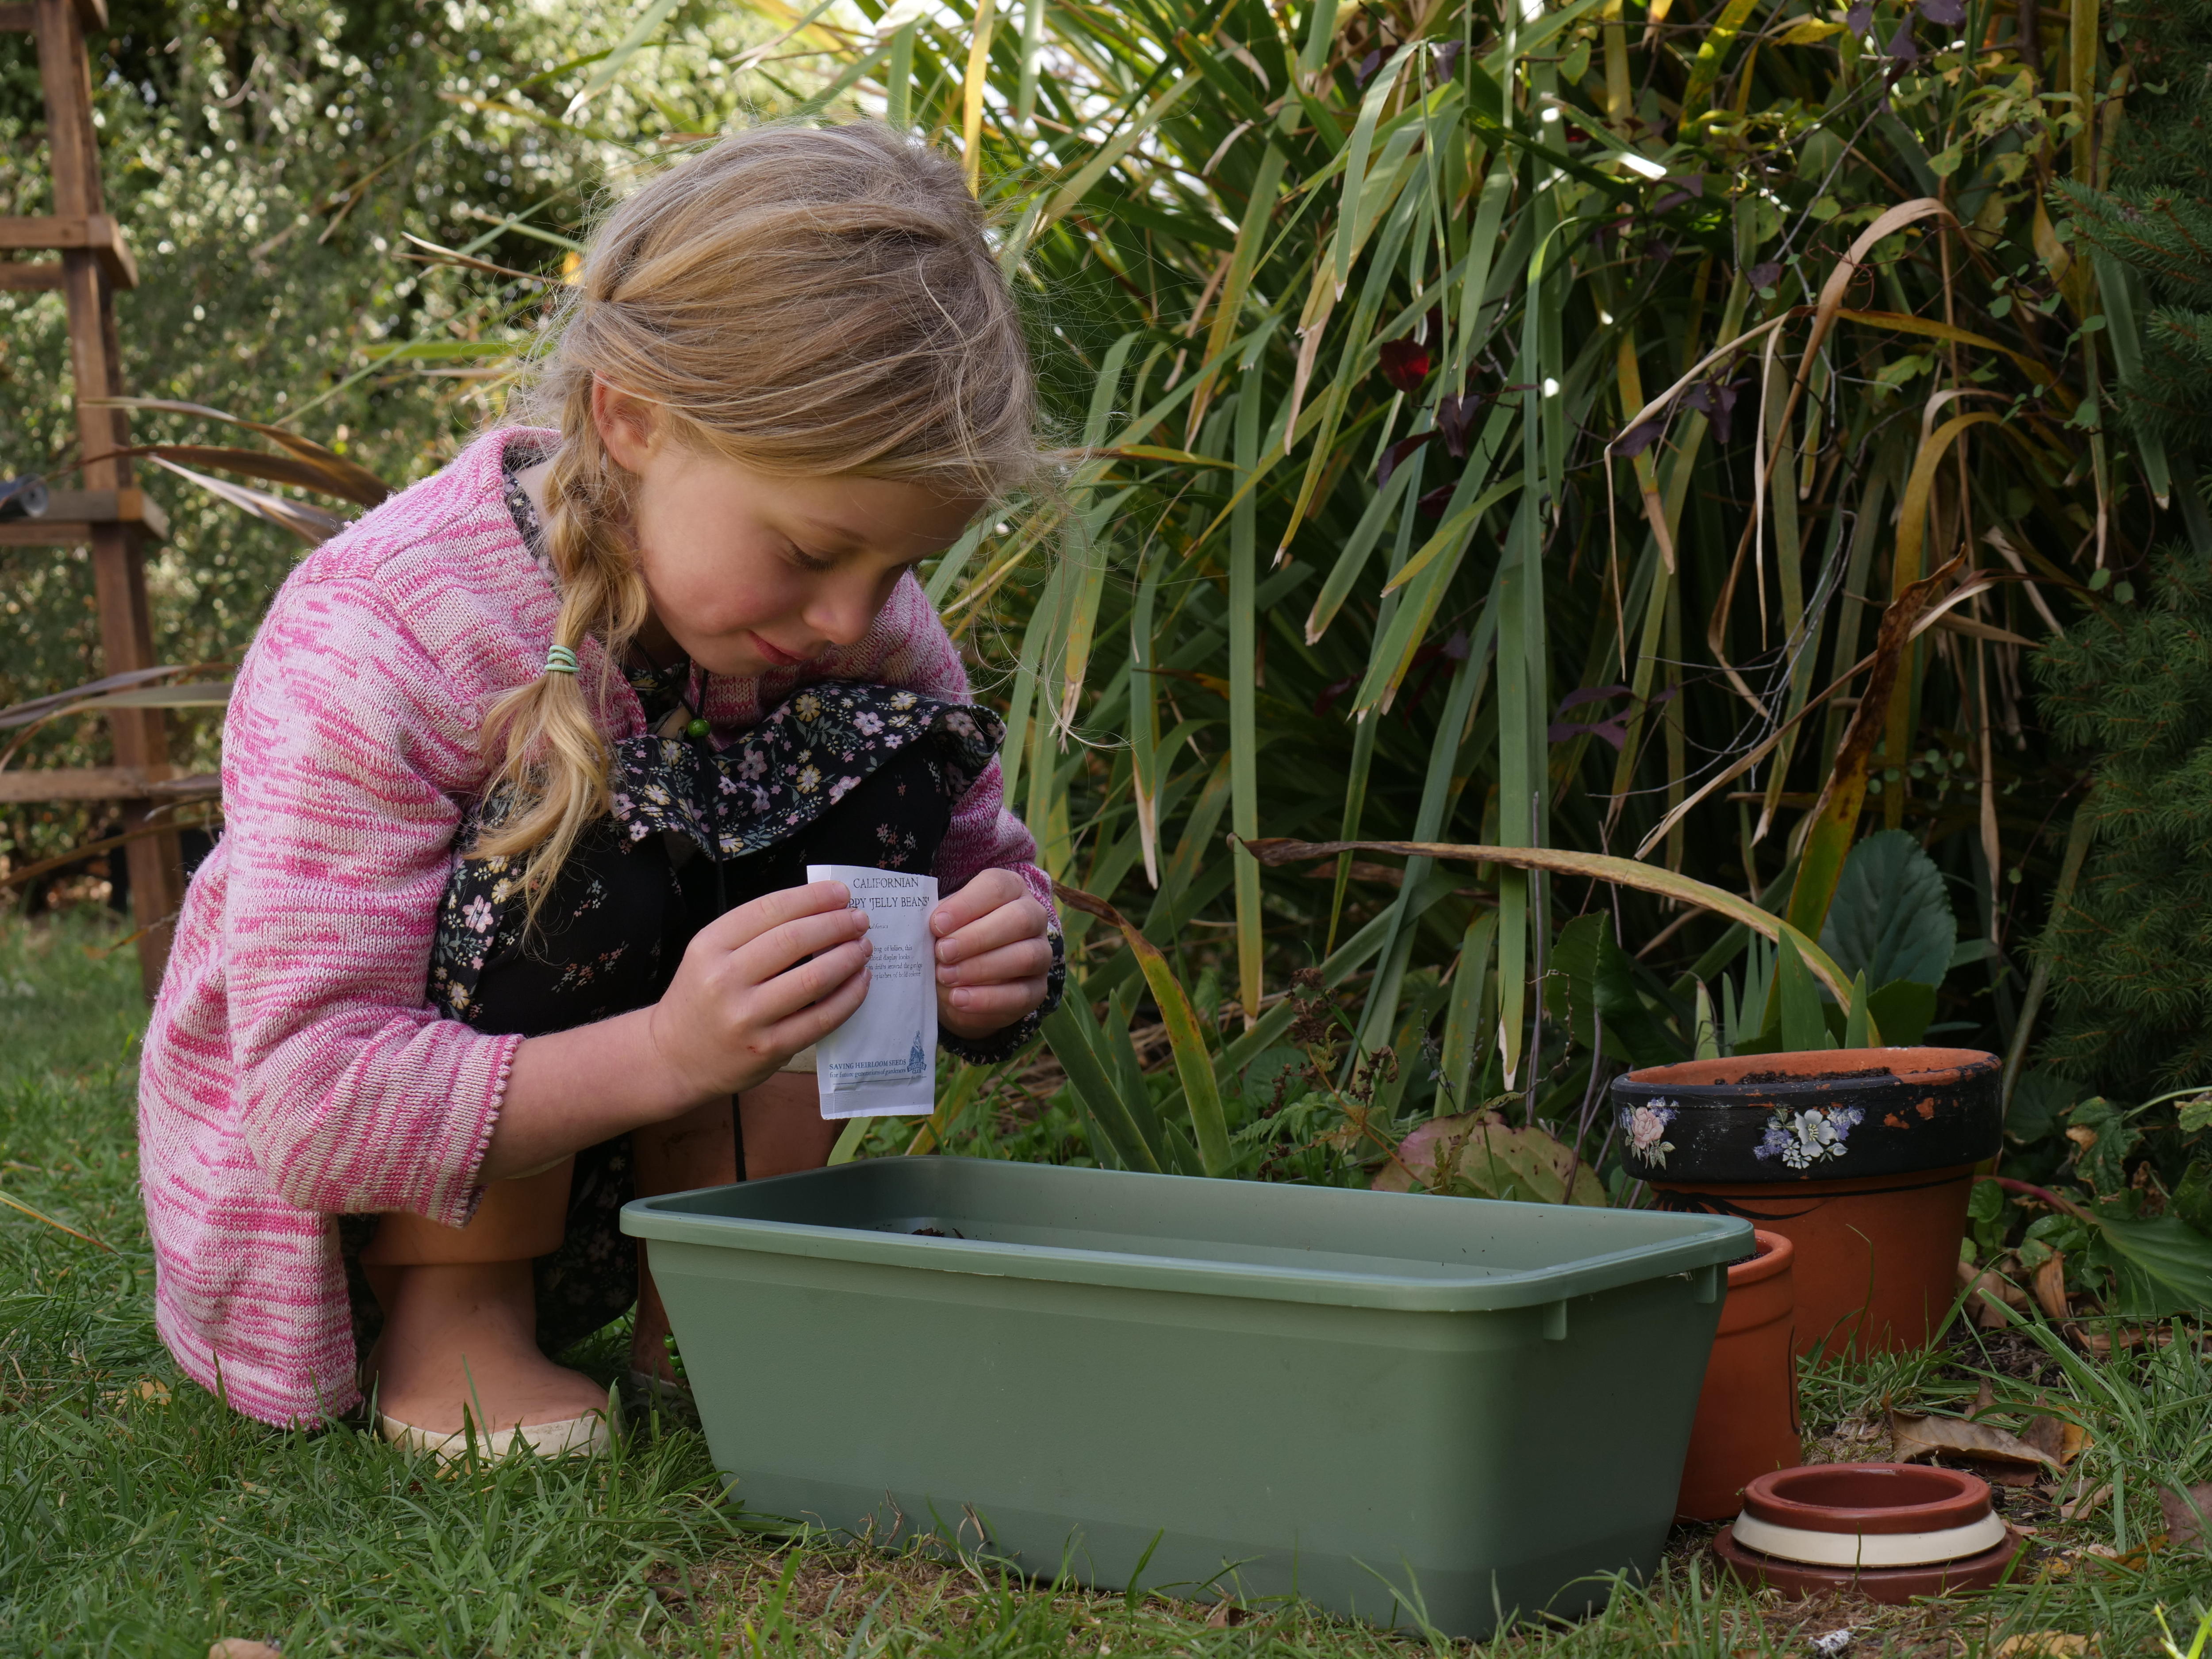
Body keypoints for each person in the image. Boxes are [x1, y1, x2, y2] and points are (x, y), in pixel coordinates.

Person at [138, 122, 1064, 1458]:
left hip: (644, 1144)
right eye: (811, 551)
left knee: (882, 762)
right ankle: (456, 1314)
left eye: (898, 569)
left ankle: (713, 1299)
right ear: (631, 418)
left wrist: (996, 944)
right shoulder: (389, 630)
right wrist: (671, 1052)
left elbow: (980, 857)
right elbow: (312, 1101)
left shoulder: (855, 622)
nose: (854, 614)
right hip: (372, 1189)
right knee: (561, 823)